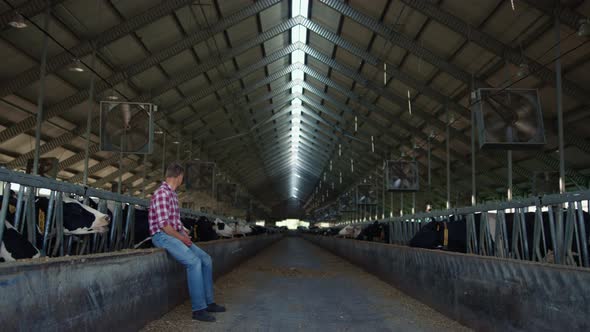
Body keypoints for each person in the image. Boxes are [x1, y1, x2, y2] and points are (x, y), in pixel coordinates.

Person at [148, 162, 225, 322]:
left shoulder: (173, 195)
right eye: (182, 177)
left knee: (206, 259)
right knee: (194, 262)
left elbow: (175, 223)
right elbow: (164, 226)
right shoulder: (162, 194)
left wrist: (185, 234)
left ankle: (209, 302)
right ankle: (198, 309)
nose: (182, 180)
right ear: (179, 176)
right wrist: (182, 238)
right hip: (161, 236)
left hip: (173, 234)